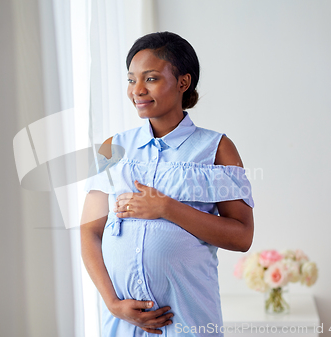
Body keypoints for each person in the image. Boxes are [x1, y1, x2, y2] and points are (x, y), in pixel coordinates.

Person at [80, 31, 254, 337]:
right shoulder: (112, 148)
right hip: (123, 323)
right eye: (131, 79)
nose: (137, 90)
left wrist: (165, 208)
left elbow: (241, 237)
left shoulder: (217, 148)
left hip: (189, 322)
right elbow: (89, 230)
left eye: (151, 78)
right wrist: (111, 303)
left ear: (183, 83)